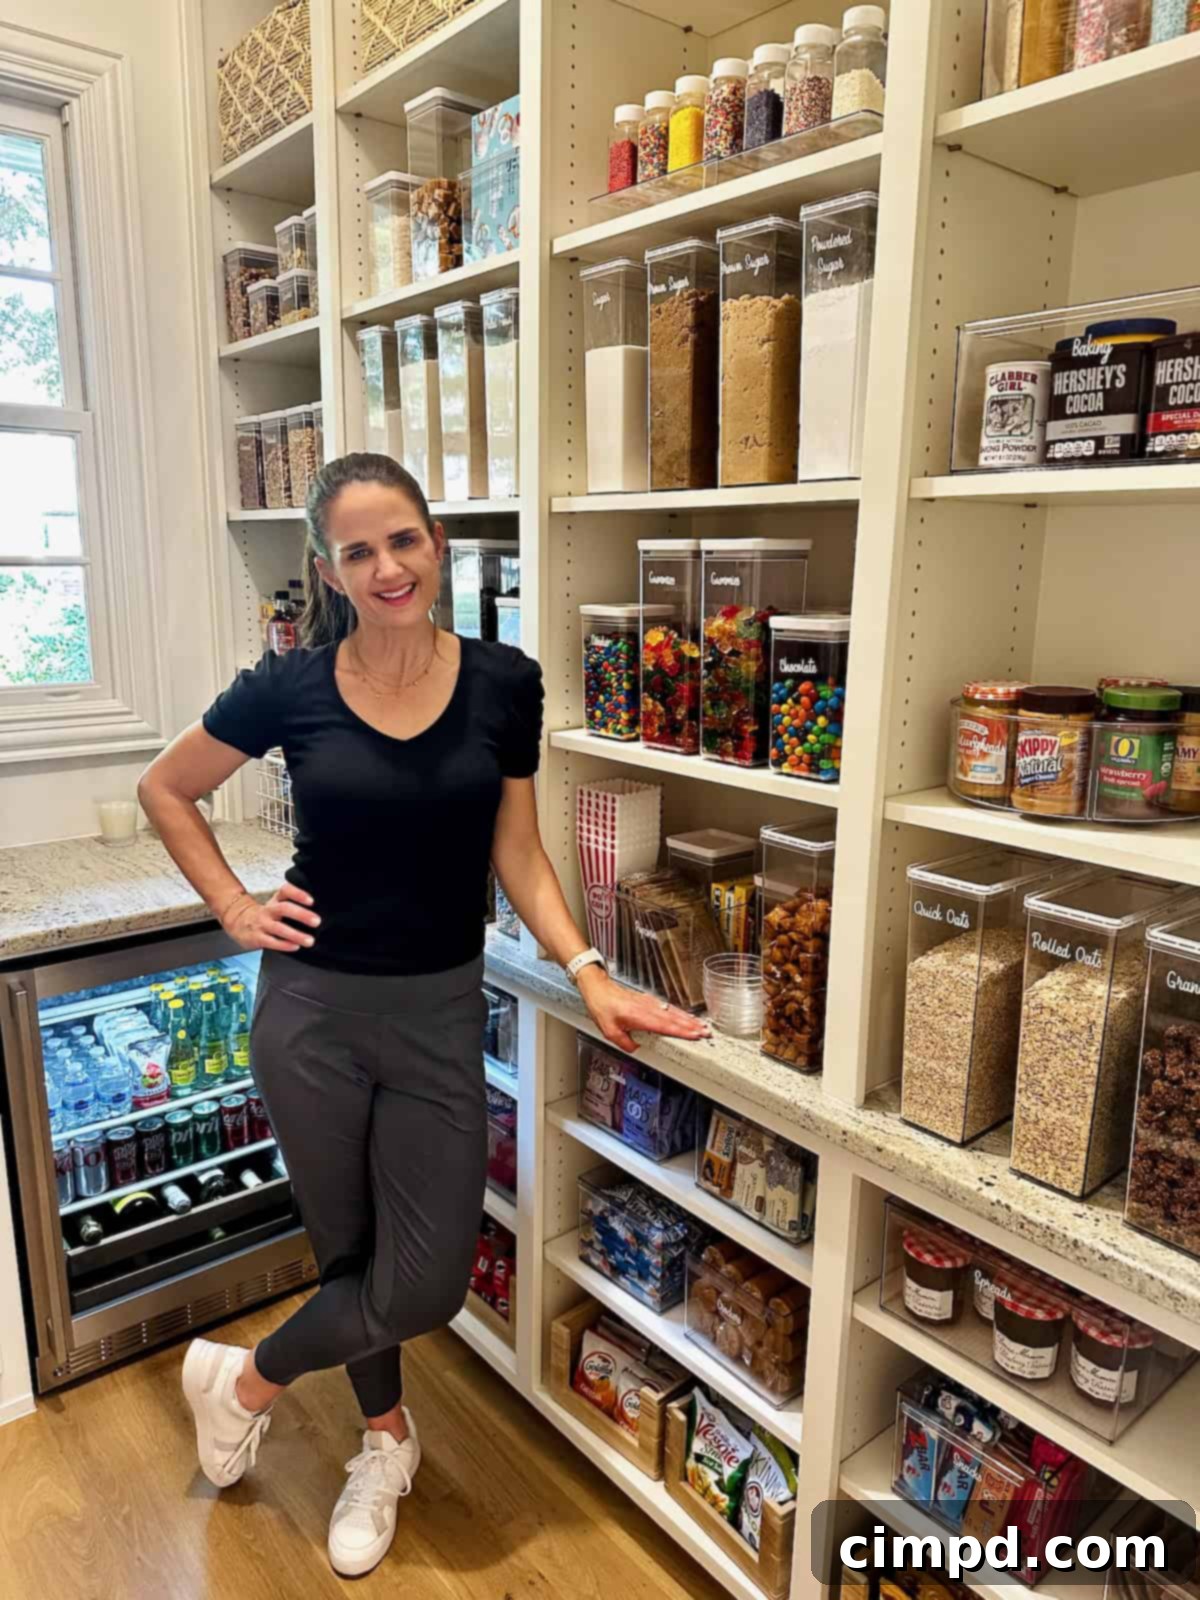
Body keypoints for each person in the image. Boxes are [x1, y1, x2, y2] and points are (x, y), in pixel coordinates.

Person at [136, 453, 707, 1578]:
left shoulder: (505, 681)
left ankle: (239, 1381)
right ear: (331, 568)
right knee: (349, 1247)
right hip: (310, 1011)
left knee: (427, 1277)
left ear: (436, 541)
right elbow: (169, 786)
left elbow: (518, 852)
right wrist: (236, 906)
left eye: (402, 539)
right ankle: (384, 1444)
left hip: (441, 1011)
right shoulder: (290, 683)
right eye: (358, 550)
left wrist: (589, 965)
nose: (387, 566)